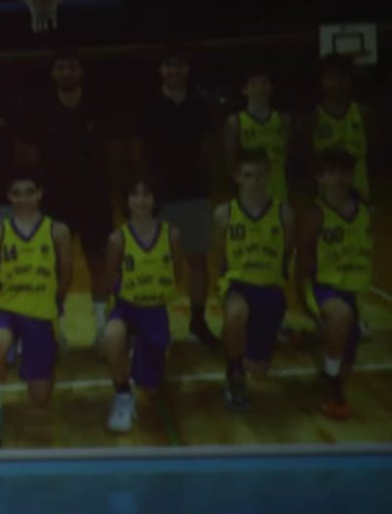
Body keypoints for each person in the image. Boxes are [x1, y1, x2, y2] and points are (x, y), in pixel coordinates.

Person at [19, 50, 114, 344]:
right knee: (56, 266)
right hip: (57, 201)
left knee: (98, 262)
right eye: (61, 66)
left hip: (95, 199)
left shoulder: (98, 106)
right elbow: (32, 158)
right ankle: (53, 326)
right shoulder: (43, 109)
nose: (66, 72)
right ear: (54, 73)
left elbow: (113, 153)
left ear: (80, 72)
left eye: (71, 65)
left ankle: (101, 327)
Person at [0, 172, 73, 449]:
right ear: (9, 197)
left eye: (29, 191)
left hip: (41, 313)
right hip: (8, 309)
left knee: (40, 399)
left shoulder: (58, 231)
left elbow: (65, 275)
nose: (23, 198)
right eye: (17, 193)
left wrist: (55, 304)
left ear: (40, 193)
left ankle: (30, 348)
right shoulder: (0, 231)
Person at [134, 44, 221, 349]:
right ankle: (154, 322)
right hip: (161, 196)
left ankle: (197, 321)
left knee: (198, 261)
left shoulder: (201, 103)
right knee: (157, 263)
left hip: (194, 192)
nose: (174, 70)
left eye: (180, 65)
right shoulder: (148, 105)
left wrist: (210, 187)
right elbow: (141, 152)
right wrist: (144, 192)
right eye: (168, 65)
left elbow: (210, 148)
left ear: (187, 69)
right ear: (161, 70)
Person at [100, 176, 183, 434]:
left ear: (156, 199)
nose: (141, 200)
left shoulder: (171, 234)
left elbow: (179, 271)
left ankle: (141, 350)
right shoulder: (118, 239)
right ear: (126, 201)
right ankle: (123, 394)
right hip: (127, 308)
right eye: (135, 195)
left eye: (147, 194)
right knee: (111, 336)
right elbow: (110, 275)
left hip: (155, 309)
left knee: (151, 390)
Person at [212, 149, 293, 409]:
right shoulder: (224, 213)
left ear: (269, 175)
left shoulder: (284, 214)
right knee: (236, 312)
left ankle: (248, 347)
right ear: (238, 177)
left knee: (258, 372)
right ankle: (233, 373)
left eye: (259, 175)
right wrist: (227, 283)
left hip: (269, 287)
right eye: (248, 175)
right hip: (238, 284)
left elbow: (288, 252)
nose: (254, 181)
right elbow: (218, 255)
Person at [295, 146, 372, 419]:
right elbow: (302, 259)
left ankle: (329, 366)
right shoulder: (315, 215)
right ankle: (332, 386)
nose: (338, 178)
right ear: (320, 178)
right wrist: (305, 299)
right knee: (340, 316)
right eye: (331, 173)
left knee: (345, 361)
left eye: (344, 172)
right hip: (322, 287)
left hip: (351, 290)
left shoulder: (364, 211)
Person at [224, 65, 290, 207]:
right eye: (254, 84)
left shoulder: (283, 119)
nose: (260, 88)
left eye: (264, 83)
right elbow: (230, 161)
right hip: (250, 193)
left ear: (271, 87)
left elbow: (290, 156)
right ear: (244, 90)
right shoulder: (235, 122)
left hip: (279, 191)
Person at [311, 52, 372, 199]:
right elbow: (309, 159)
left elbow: (373, 153)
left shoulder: (364, 113)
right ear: (322, 81)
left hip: (359, 195)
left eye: (342, 76)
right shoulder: (313, 116)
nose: (337, 82)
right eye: (332, 77)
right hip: (326, 197)